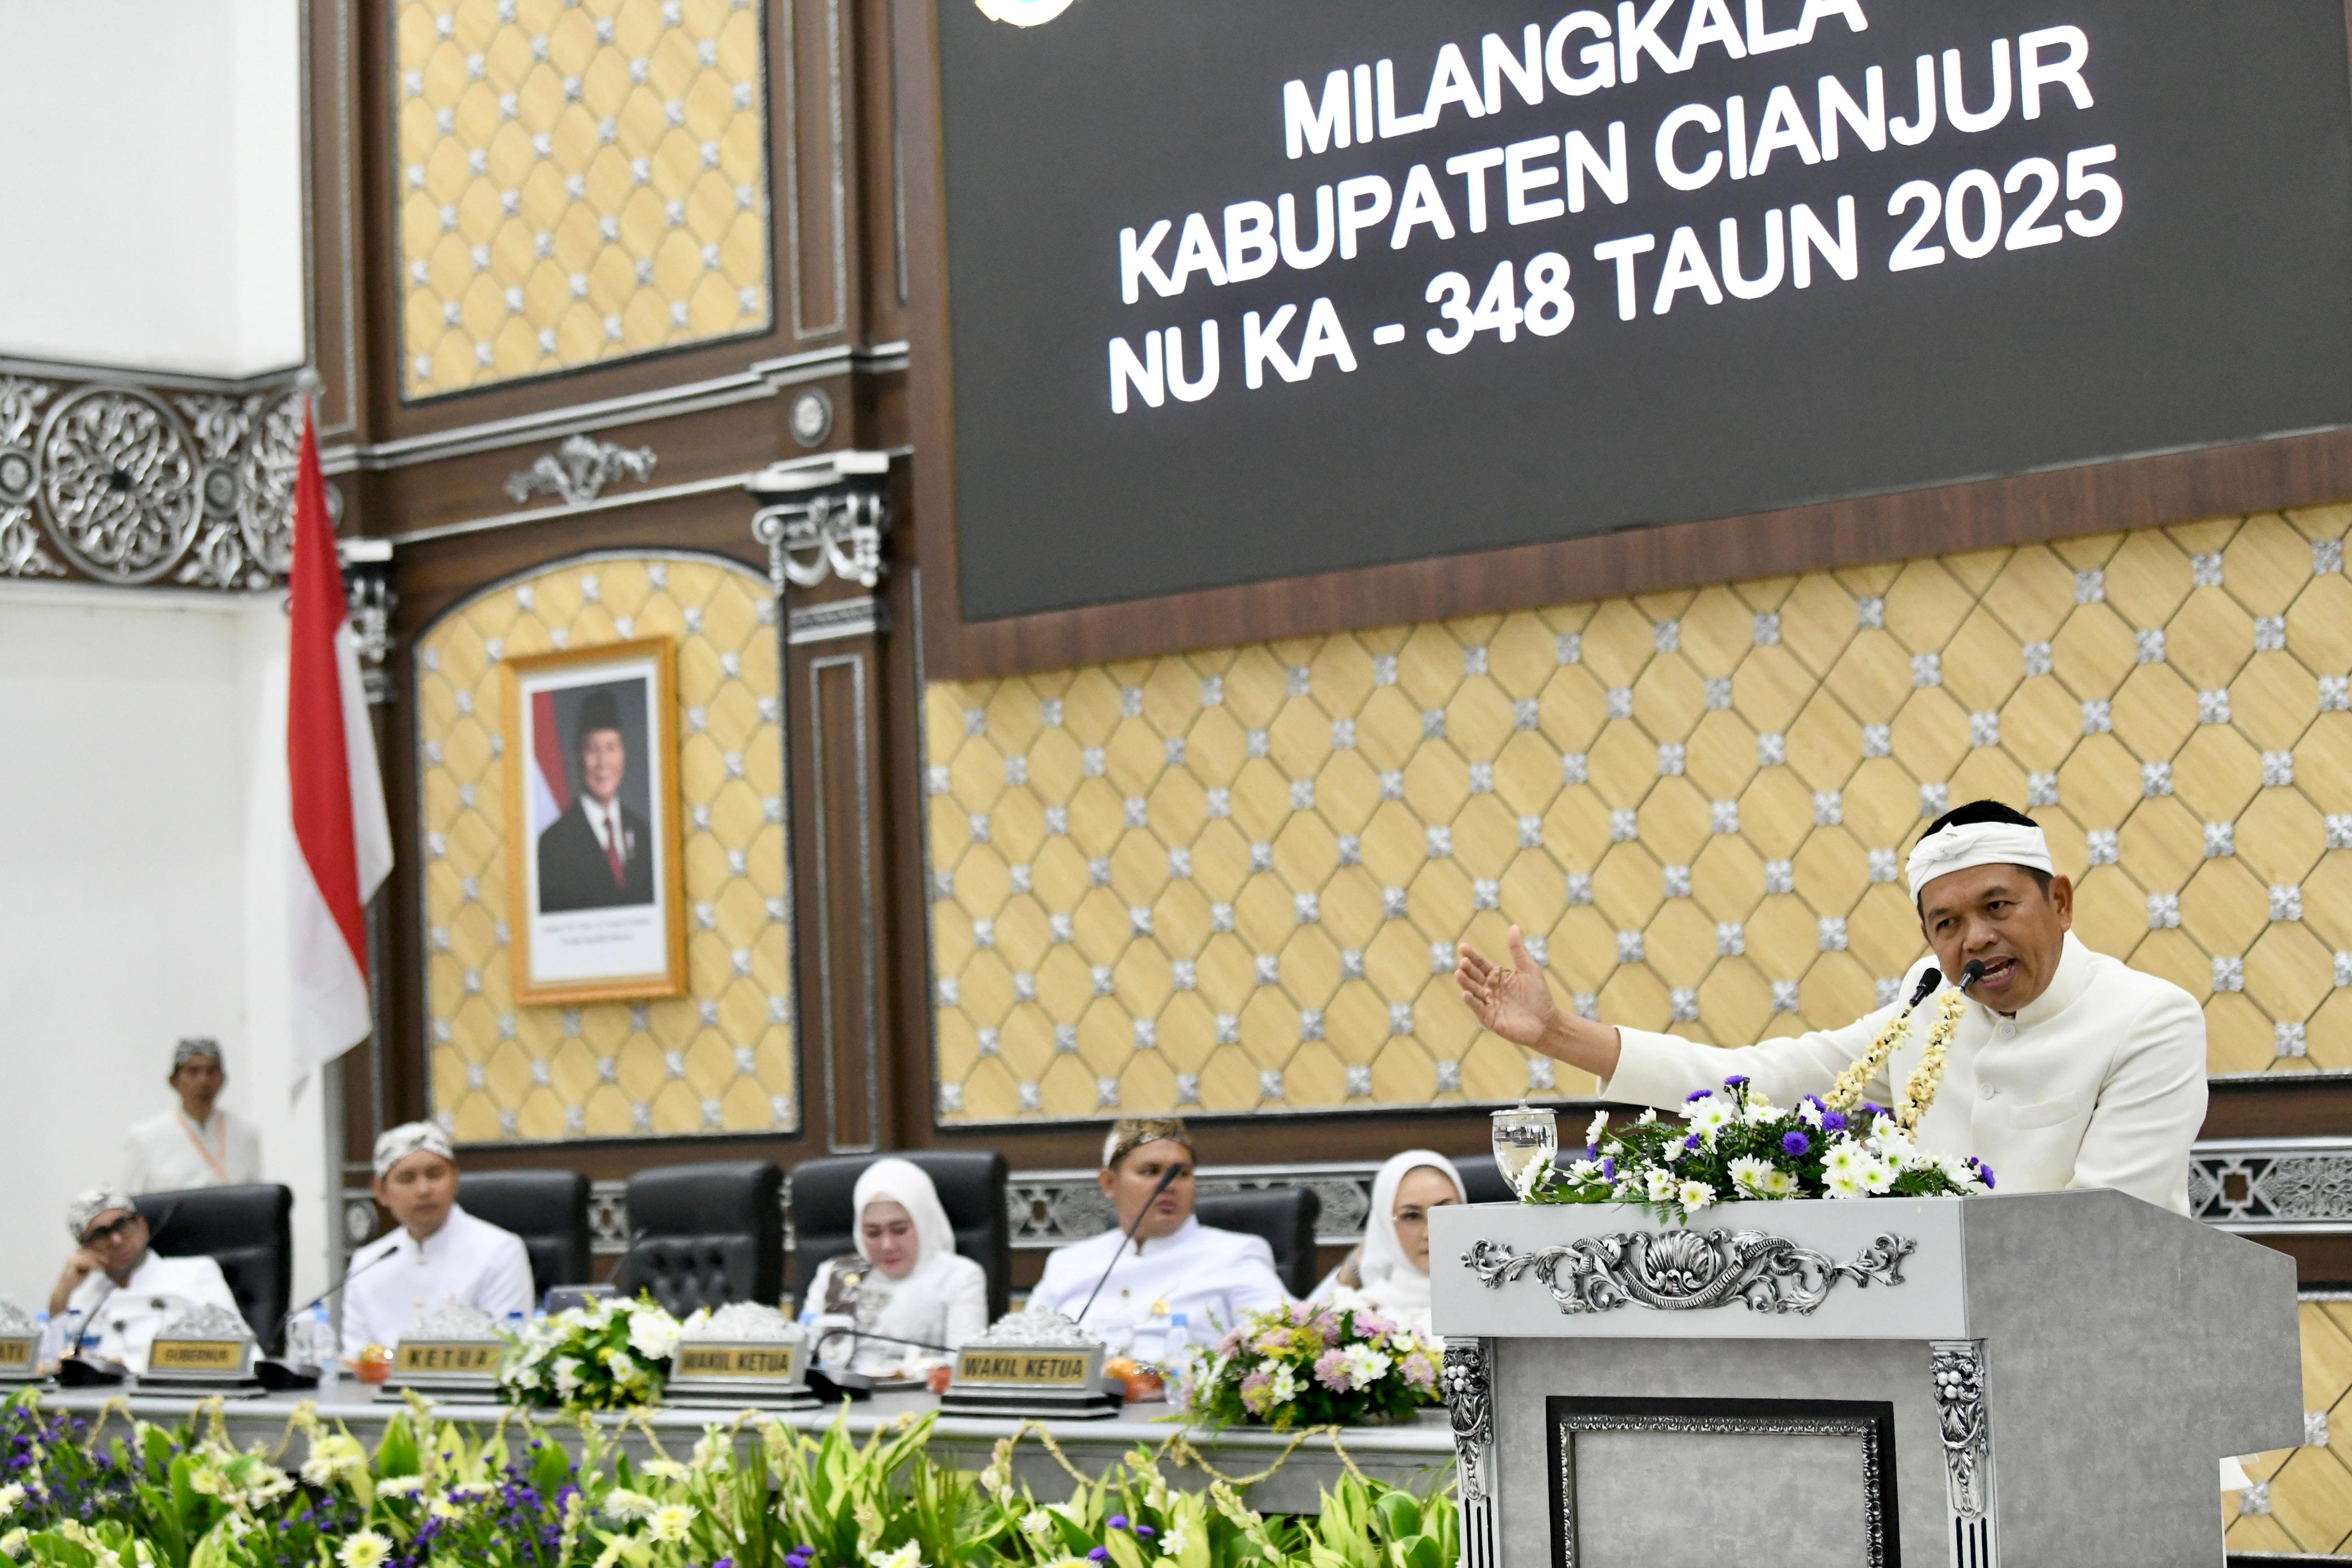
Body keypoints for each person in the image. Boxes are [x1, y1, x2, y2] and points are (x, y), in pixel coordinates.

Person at [1455, 800, 2207, 1213]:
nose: (1977, 938)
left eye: (1999, 905)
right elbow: (1753, 1079)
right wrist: (1559, 1032)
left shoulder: (2149, 1019)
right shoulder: (1929, 1008)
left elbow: (2111, 1225)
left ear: (2062, 901)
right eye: (1947, 924)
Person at [1028, 1118, 1289, 1344]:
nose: (1170, 1185)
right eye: (1151, 1171)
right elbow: (1020, 1346)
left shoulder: (1235, 1256)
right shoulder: (1068, 1264)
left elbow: (1288, 1336)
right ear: (1109, 1183)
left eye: (1182, 1174)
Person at [339, 1122, 534, 1361]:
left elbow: (509, 1351)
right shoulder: (367, 1263)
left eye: (435, 1174)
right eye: (407, 1178)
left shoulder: (500, 1251)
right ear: (381, 1192)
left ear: (455, 1178)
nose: (424, 1190)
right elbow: (356, 1358)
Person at [805, 1158, 991, 1378]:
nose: (887, 1245)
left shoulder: (960, 1276)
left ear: (924, 1223)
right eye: (873, 1233)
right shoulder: (835, 1274)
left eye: (900, 1230)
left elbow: (964, 1366)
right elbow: (805, 1353)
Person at [48, 1188, 241, 1374]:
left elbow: (242, 1351)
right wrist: (63, 1289)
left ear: (142, 1225)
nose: (116, 1240)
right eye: (100, 1235)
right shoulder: (86, 1295)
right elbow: (54, 1361)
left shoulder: (194, 1273)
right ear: (85, 1248)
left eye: (122, 1225)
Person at [1309, 1151, 1465, 1329]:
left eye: (1444, 1212)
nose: (1429, 1233)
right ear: (1385, 1227)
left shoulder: (1494, 1299)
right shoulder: (1363, 1317)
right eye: (1412, 1217)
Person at [537, 688, 655, 912]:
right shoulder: (553, 845)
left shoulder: (643, 833)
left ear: (623, 754)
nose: (603, 762)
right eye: (593, 749)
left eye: (611, 748)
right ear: (577, 757)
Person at [123, 1038, 262, 1193]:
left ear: (222, 1079)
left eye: (211, 1072)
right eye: (193, 1072)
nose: (203, 1081)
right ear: (174, 1081)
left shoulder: (245, 1132)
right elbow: (130, 1204)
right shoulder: (146, 1136)